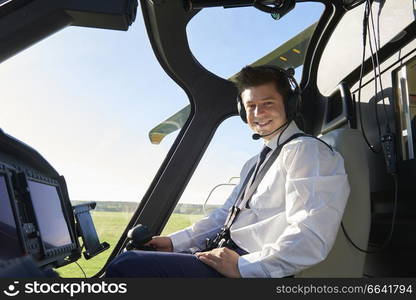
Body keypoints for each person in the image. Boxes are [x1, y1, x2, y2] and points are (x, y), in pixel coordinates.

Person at [105, 65, 350, 278]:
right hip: (227, 257)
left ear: (289, 105)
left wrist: (243, 267)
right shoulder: (255, 163)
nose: (258, 114)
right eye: (251, 106)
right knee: (134, 258)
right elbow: (223, 217)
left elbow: (311, 235)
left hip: (252, 269)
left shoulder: (306, 152)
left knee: (129, 266)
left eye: (268, 104)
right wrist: (174, 242)